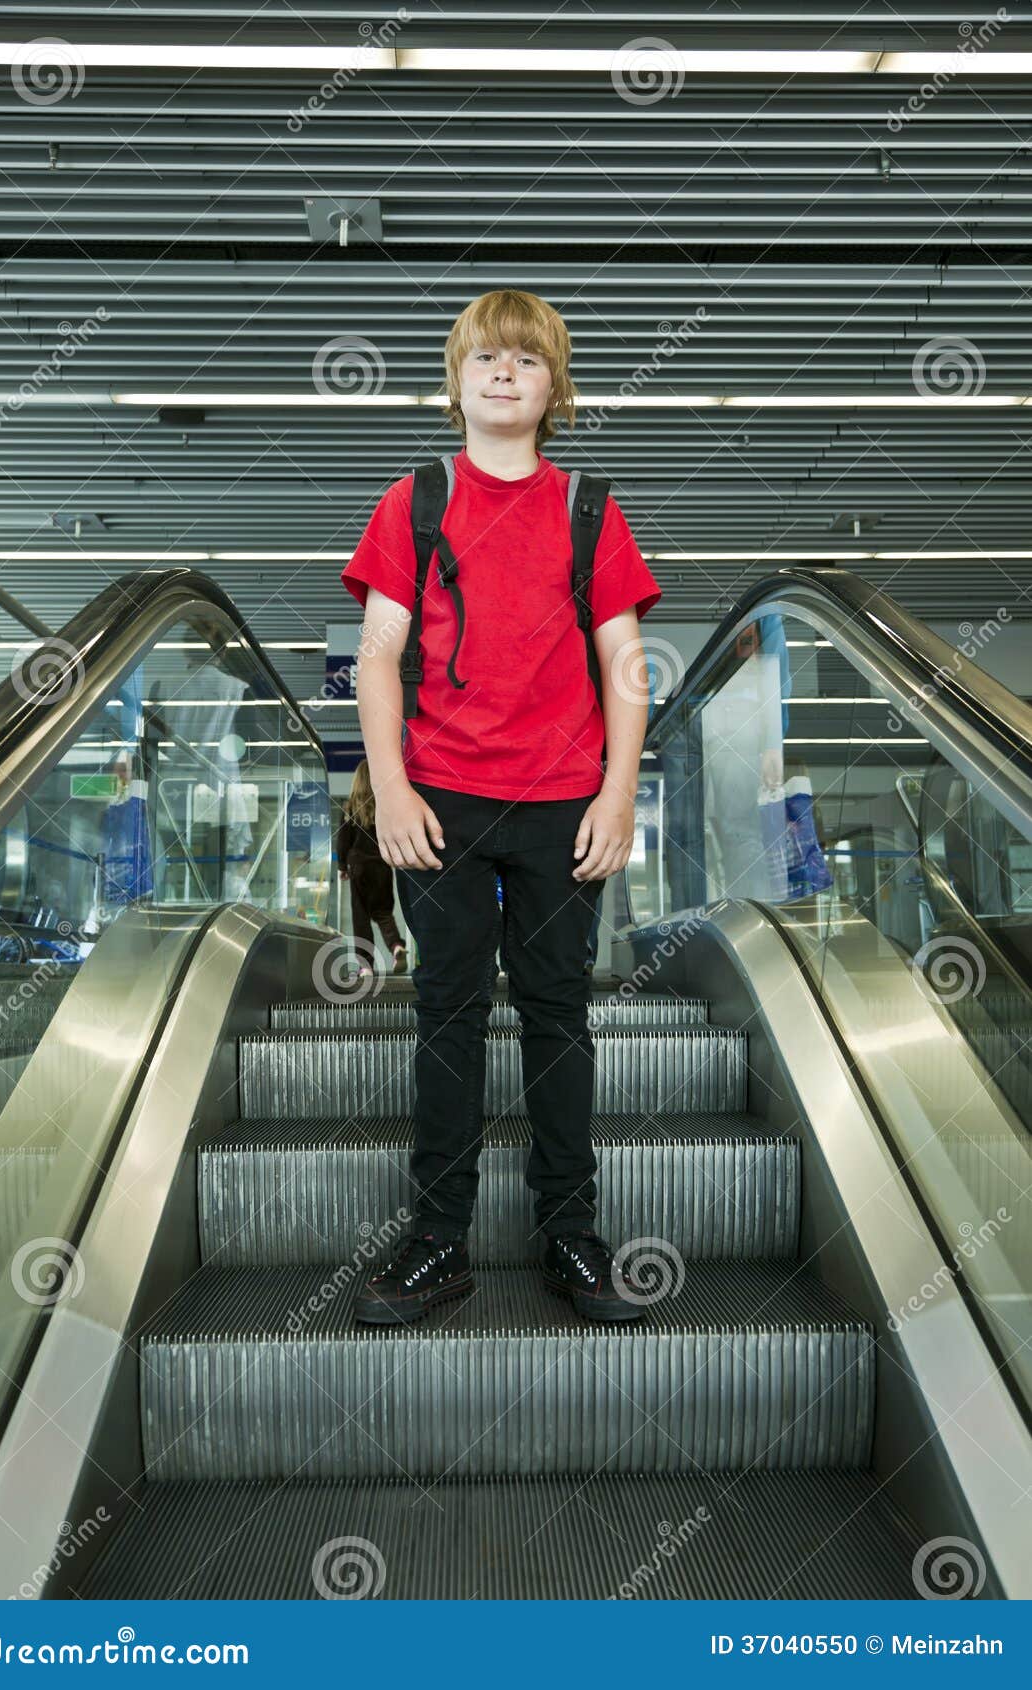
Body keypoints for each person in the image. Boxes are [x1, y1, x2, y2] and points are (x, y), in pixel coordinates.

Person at [339, 287, 661, 1324]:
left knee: (559, 1019)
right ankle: (439, 1242)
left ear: (553, 387)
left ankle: (570, 1236)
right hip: (441, 803)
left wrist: (618, 795)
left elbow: (624, 664)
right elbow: (379, 656)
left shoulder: (587, 507)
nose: (504, 372)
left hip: (562, 806)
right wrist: (390, 787)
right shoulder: (415, 500)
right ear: (456, 381)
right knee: (447, 1014)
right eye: (485, 357)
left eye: (526, 359)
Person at [335, 759, 408, 979]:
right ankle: (396, 946)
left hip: (358, 867)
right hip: (382, 866)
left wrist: (341, 866)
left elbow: (342, 841)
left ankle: (365, 966)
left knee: (361, 917)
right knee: (384, 913)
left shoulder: (349, 809)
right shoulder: (383, 808)